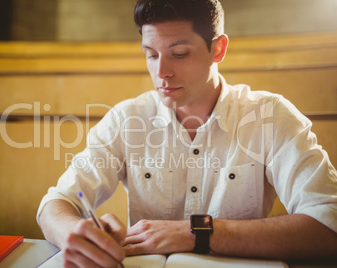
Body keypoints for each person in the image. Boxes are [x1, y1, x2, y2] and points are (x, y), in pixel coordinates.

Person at [37, 0, 337, 267]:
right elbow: (58, 202)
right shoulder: (126, 119)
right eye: (151, 54)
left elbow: (329, 224)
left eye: (179, 54)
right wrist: (76, 234)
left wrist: (198, 232)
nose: (161, 72)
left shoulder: (269, 116)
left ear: (218, 49)